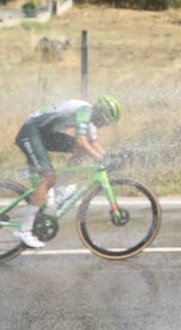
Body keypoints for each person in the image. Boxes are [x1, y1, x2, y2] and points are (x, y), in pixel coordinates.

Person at [14, 95, 122, 248]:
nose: (104, 125)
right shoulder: (85, 110)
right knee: (48, 178)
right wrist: (100, 157)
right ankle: (24, 230)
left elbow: (93, 143)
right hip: (30, 132)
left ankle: (60, 189)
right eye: (105, 121)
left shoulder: (89, 119)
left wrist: (108, 157)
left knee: (80, 151)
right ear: (100, 113)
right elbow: (81, 140)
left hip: (43, 134)